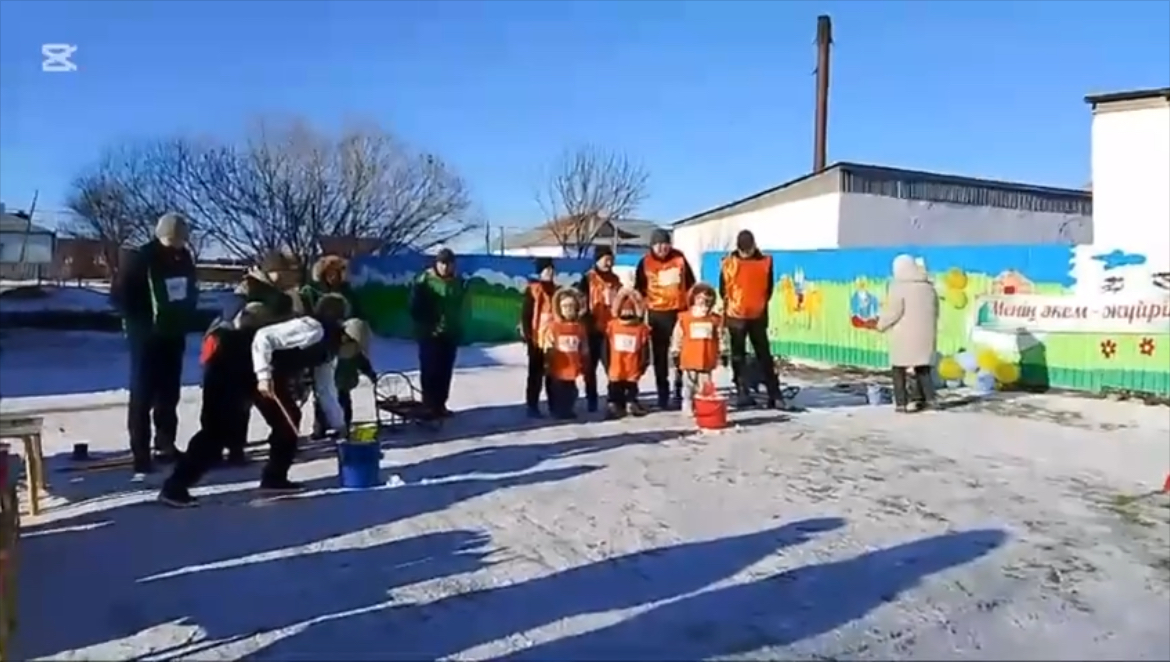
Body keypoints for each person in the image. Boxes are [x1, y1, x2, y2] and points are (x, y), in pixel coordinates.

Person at [159, 293, 354, 507]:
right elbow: (263, 338)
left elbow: (326, 390)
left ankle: (275, 477)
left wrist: (341, 426)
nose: (355, 352)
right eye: (355, 345)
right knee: (218, 431)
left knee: (287, 418)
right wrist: (263, 377)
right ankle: (175, 486)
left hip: (262, 372)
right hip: (231, 362)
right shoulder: (312, 328)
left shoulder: (328, 351)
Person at [110, 212, 199, 480]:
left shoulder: (184, 258)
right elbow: (120, 296)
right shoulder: (141, 258)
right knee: (143, 395)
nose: (176, 245)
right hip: (146, 337)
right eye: (171, 240)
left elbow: (190, 289)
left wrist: (187, 314)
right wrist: (142, 322)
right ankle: (141, 454)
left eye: (180, 240)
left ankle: (165, 444)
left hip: (173, 334)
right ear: (161, 236)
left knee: (169, 394)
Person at [159, 302, 271, 506]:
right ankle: (175, 487)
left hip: (218, 397)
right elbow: (245, 375)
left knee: (209, 441)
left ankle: (177, 484)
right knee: (208, 444)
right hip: (226, 400)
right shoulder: (242, 341)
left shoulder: (227, 336)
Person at [210, 249, 307, 462]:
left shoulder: (285, 295)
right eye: (286, 271)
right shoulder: (249, 290)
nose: (290, 277)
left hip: (266, 357)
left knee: (277, 407)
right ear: (273, 271)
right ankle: (231, 449)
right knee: (236, 407)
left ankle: (281, 444)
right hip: (237, 356)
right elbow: (231, 321)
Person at [720, 230, 784, 409]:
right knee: (737, 356)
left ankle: (774, 394)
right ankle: (742, 391)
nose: (746, 253)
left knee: (764, 355)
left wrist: (758, 304)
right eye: (743, 250)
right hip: (736, 317)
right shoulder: (728, 264)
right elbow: (723, 290)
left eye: (749, 250)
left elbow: (768, 289)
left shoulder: (765, 262)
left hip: (758, 315)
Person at [634, 229, 696, 409]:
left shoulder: (679, 259)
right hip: (657, 313)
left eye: (665, 244)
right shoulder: (645, 262)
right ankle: (662, 392)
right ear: (652, 246)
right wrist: (640, 311)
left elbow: (691, 284)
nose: (662, 248)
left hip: (679, 311)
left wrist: (692, 307)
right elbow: (639, 289)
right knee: (660, 356)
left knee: (681, 352)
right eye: (658, 244)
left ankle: (680, 388)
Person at [876, 254, 940, 413]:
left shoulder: (898, 287)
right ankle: (930, 399)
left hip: (905, 335)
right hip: (925, 335)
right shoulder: (929, 287)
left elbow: (894, 312)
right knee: (922, 368)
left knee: (898, 369)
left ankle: (901, 403)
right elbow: (936, 311)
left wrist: (880, 324)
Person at [408, 249, 465, 416]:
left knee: (445, 372)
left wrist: (459, 326)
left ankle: (440, 405)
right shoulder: (425, 280)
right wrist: (429, 324)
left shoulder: (458, 282)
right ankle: (429, 406)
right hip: (429, 334)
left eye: (449, 263)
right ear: (436, 264)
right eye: (442, 263)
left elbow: (462, 305)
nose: (446, 267)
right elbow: (415, 307)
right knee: (430, 371)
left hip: (450, 332)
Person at [576, 246, 622, 413]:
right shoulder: (587, 278)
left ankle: (613, 398)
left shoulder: (615, 280)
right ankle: (592, 399)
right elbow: (580, 301)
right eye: (605, 259)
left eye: (611, 259)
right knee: (589, 367)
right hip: (591, 329)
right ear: (597, 260)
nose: (608, 263)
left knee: (612, 366)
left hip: (610, 329)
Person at [314, 318, 377, 437]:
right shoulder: (335, 347)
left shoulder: (351, 349)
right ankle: (322, 428)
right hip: (335, 381)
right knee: (325, 405)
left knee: (337, 403)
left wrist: (370, 374)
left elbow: (363, 363)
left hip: (342, 381)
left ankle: (341, 427)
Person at [671, 283, 723, 413]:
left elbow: (720, 336)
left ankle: (702, 406)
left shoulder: (715, 319)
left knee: (705, 385)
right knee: (689, 384)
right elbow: (678, 334)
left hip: (707, 358)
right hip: (689, 357)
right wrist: (675, 349)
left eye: (707, 299)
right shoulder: (685, 318)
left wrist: (723, 349)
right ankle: (688, 404)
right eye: (700, 298)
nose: (703, 301)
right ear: (693, 299)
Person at [540, 288, 589, 420]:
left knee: (571, 391)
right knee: (557, 390)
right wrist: (547, 361)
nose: (568, 310)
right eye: (565, 307)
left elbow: (583, 346)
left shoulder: (579, 327)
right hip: (558, 366)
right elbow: (548, 345)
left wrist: (584, 359)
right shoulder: (554, 327)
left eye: (571, 306)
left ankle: (568, 409)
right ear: (559, 309)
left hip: (572, 365)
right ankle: (558, 410)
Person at [604, 288, 650, 419]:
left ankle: (622, 403)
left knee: (623, 386)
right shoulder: (614, 326)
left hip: (621, 365)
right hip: (626, 365)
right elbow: (645, 349)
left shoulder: (615, 326)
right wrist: (644, 363)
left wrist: (606, 363)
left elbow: (645, 348)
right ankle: (623, 403)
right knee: (623, 386)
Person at [520, 257, 557, 417]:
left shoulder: (557, 290)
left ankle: (554, 404)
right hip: (537, 339)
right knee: (535, 374)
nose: (550, 272)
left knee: (553, 374)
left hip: (553, 340)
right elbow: (526, 315)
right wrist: (529, 337)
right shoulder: (533, 290)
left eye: (551, 269)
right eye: (546, 270)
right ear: (540, 272)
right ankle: (532, 405)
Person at [301, 255, 360, 319]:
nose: (333, 277)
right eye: (329, 274)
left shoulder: (349, 292)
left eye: (336, 273)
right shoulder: (311, 291)